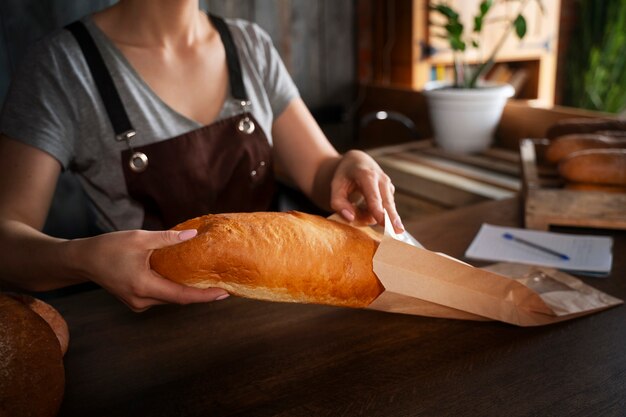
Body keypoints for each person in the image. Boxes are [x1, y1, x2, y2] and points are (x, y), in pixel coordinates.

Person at [0, 0, 404, 312]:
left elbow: (320, 170)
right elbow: (7, 242)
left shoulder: (250, 45)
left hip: (276, 317)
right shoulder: (62, 66)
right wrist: (82, 257)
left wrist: (348, 164)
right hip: (146, 339)